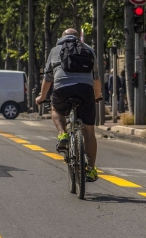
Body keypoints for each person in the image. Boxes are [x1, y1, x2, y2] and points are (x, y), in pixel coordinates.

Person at [35, 28, 103, 182]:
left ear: (62, 38)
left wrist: (41, 97)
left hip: (62, 89)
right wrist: (97, 96)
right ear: (77, 37)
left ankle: (62, 134)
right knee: (89, 130)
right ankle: (91, 169)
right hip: (85, 90)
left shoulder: (55, 50)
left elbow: (48, 78)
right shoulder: (88, 49)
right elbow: (96, 77)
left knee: (56, 109)